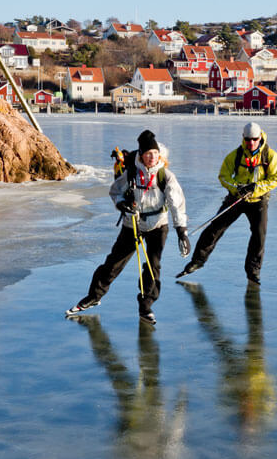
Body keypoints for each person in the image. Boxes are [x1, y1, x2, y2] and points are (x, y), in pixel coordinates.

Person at [66, 130, 190, 324]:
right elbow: (115, 191)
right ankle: (94, 297)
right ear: (141, 154)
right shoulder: (131, 172)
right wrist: (122, 203)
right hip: (132, 224)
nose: (152, 157)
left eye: (155, 153)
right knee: (114, 262)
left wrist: (182, 231)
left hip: (158, 225)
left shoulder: (165, 176)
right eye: (148, 153)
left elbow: (176, 203)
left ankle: (146, 305)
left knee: (152, 266)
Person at [177, 122, 277, 285]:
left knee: (259, 235)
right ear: (243, 138)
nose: (251, 143)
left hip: (258, 200)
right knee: (215, 228)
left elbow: (275, 178)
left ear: (260, 137)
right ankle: (197, 261)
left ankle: (253, 270)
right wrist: (237, 188)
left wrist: (256, 187)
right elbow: (224, 176)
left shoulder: (271, 156)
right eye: (248, 139)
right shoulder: (236, 155)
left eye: (254, 139)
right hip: (236, 198)